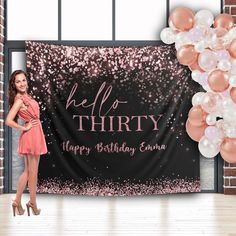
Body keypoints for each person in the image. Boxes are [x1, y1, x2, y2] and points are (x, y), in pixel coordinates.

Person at [5, 70, 48, 216]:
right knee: (33, 173)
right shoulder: (19, 100)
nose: (22, 84)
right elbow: (8, 120)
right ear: (14, 84)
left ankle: (17, 201)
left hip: (34, 133)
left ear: (27, 81)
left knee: (28, 171)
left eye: (23, 80)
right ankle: (32, 203)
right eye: (18, 82)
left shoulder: (25, 97)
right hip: (31, 134)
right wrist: (23, 127)